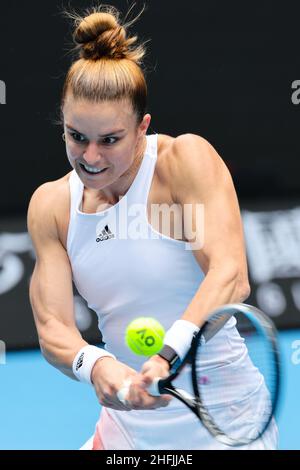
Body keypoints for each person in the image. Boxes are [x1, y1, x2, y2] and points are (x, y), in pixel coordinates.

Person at [27, 5, 278, 450]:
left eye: (110, 140)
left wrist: (169, 354)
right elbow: (53, 327)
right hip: (125, 431)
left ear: (142, 128)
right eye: (76, 136)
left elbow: (230, 275)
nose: (90, 156)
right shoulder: (51, 206)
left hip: (227, 423)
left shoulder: (184, 163)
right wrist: (95, 364)